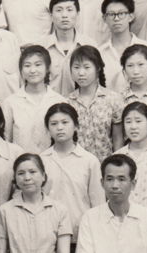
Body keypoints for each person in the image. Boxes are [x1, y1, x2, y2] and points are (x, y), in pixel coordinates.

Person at [40, 103, 104, 242]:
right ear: (48, 129)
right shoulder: (41, 160)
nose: (59, 127)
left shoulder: (89, 161)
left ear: (76, 126)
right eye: (54, 124)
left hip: (81, 235)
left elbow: (98, 203)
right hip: (48, 235)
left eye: (65, 122)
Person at [2, 45, 67, 153]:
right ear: (21, 70)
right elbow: (6, 140)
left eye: (38, 65)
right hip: (21, 162)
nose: (32, 70)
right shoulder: (10, 103)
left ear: (47, 68)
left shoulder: (59, 101)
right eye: (27, 65)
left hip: (52, 161)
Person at [67, 45, 124, 161]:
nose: (81, 73)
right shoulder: (67, 102)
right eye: (76, 67)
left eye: (87, 67)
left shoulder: (113, 99)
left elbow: (118, 138)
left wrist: (116, 163)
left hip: (106, 164)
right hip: (77, 165)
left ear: (98, 68)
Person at [97, 0, 147, 96]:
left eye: (121, 13)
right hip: (109, 105)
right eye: (111, 14)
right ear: (104, 18)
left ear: (131, 16)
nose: (116, 18)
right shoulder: (99, 53)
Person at [43, 0, 95, 97]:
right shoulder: (41, 47)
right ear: (51, 16)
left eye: (69, 10)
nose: (64, 15)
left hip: (80, 104)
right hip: (49, 104)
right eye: (59, 10)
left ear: (78, 14)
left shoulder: (90, 45)